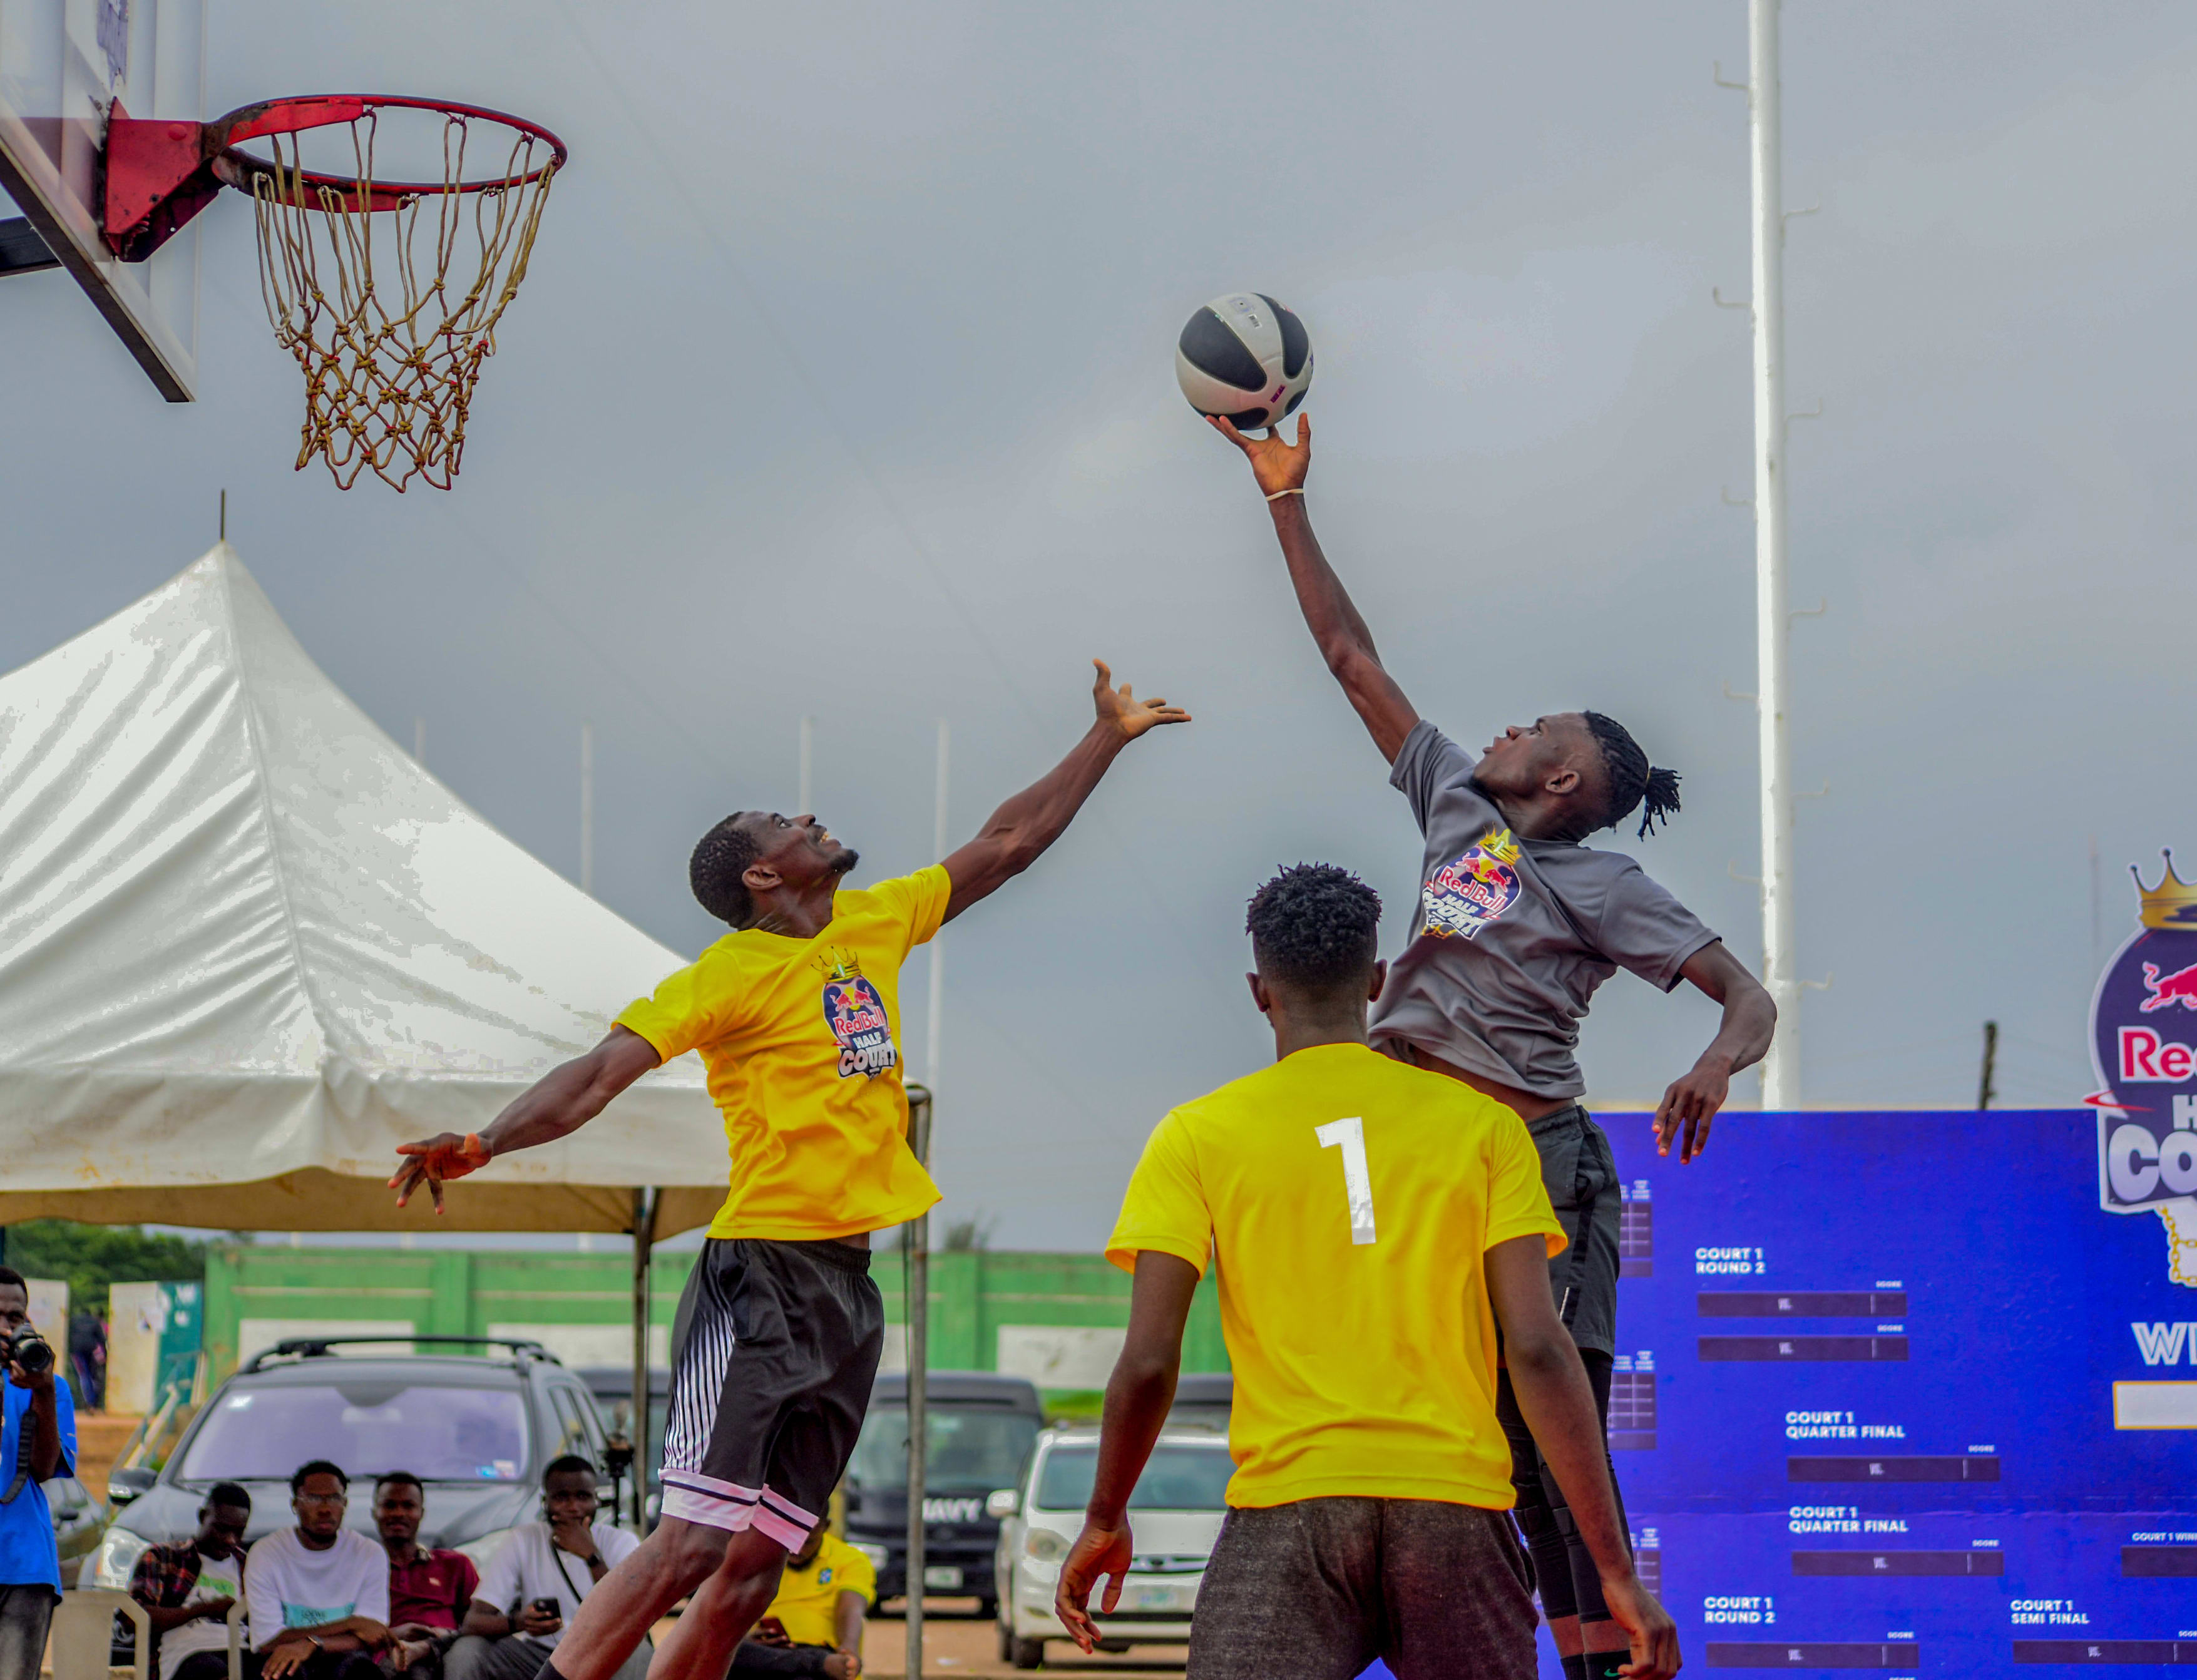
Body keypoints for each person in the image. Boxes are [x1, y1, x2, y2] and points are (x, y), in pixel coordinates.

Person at [391, 659, 1187, 1680]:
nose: (807, 817)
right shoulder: (729, 973)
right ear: (762, 875)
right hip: (761, 1273)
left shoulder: (871, 922)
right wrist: (486, 1139)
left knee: (757, 1564)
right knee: (687, 1545)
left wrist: (1106, 738)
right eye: (782, 822)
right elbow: (598, 1073)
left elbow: (1008, 843)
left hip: (846, 1291)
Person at [1212, 416, 1776, 1679]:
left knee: (1545, 1425)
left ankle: (1606, 1649)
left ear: (1568, 783)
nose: (1508, 726)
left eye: (1538, 729)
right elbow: (1352, 657)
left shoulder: (1603, 881)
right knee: (1463, 1427)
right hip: (1426, 1159)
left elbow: (1750, 996)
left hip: (1537, 1156)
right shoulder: (1459, 799)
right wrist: (1285, 501)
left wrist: (1715, 1063)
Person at [1056, 865, 1680, 1680]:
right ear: (1379, 981)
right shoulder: (1484, 1129)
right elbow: (1538, 1348)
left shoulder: (1195, 1136)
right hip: (1454, 1511)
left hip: (1291, 1511)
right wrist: (1616, 1571)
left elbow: (1147, 1361)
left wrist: (1105, 1517)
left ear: (1258, 991)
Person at [449, 1458, 644, 1680]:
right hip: (539, 1657)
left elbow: (632, 1613)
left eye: (582, 1497)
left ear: (596, 1501)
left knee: (638, 1653)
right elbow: (473, 1622)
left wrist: (591, 1556)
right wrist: (519, 1622)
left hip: (603, 1653)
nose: (573, 1507)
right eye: (561, 1497)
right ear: (545, 1502)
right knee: (467, 1650)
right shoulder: (523, 1539)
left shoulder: (621, 1541)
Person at [243, 1462, 392, 1680]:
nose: (325, 1509)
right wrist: (351, 1623)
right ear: (295, 1504)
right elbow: (268, 1643)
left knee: (360, 1670)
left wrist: (312, 1644)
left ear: (345, 1504)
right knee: (281, 1672)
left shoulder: (369, 1553)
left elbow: (372, 1636)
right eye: (313, 1498)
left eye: (334, 1498)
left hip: (344, 1657)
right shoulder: (267, 1552)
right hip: (283, 1658)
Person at [0, 1268, 74, 1680]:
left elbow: (44, 1469)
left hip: (24, 1564)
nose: (6, 1326)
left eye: (15, 1317)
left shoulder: (49, 1385)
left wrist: (41, 1391)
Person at [130, 1483, 251, 1680]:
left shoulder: (247, 1565)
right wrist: (204, 1610)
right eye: (222, 1529)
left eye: (239, 1533)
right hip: (186, 1654)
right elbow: (135, 1618)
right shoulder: (164, 1556)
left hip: (239, 1649)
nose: (231, 1540)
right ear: (203, 1517)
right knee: (214, 1671)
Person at [725, 1527, 872, 1680]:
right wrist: (748, 1639)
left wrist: (849, 1647)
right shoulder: (759, 1555)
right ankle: (818, 1662)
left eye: (807, 1542)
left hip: (823, 1653)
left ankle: (818, 1662)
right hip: (765, 1654)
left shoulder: (849, 1559)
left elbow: (851, 1609)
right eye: (792, 1541)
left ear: (826, 1527)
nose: (797, 1550)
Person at [378, 1472, 478, 1680]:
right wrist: (397, 1634)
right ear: (375, 1512)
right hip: (388, 1654)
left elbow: (477, 1621)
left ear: (421, 1513)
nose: (398, 1513)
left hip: (448, 1651)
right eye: (389, 1505)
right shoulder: (363, 1568)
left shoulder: (454, 1564)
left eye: (408, 1506)